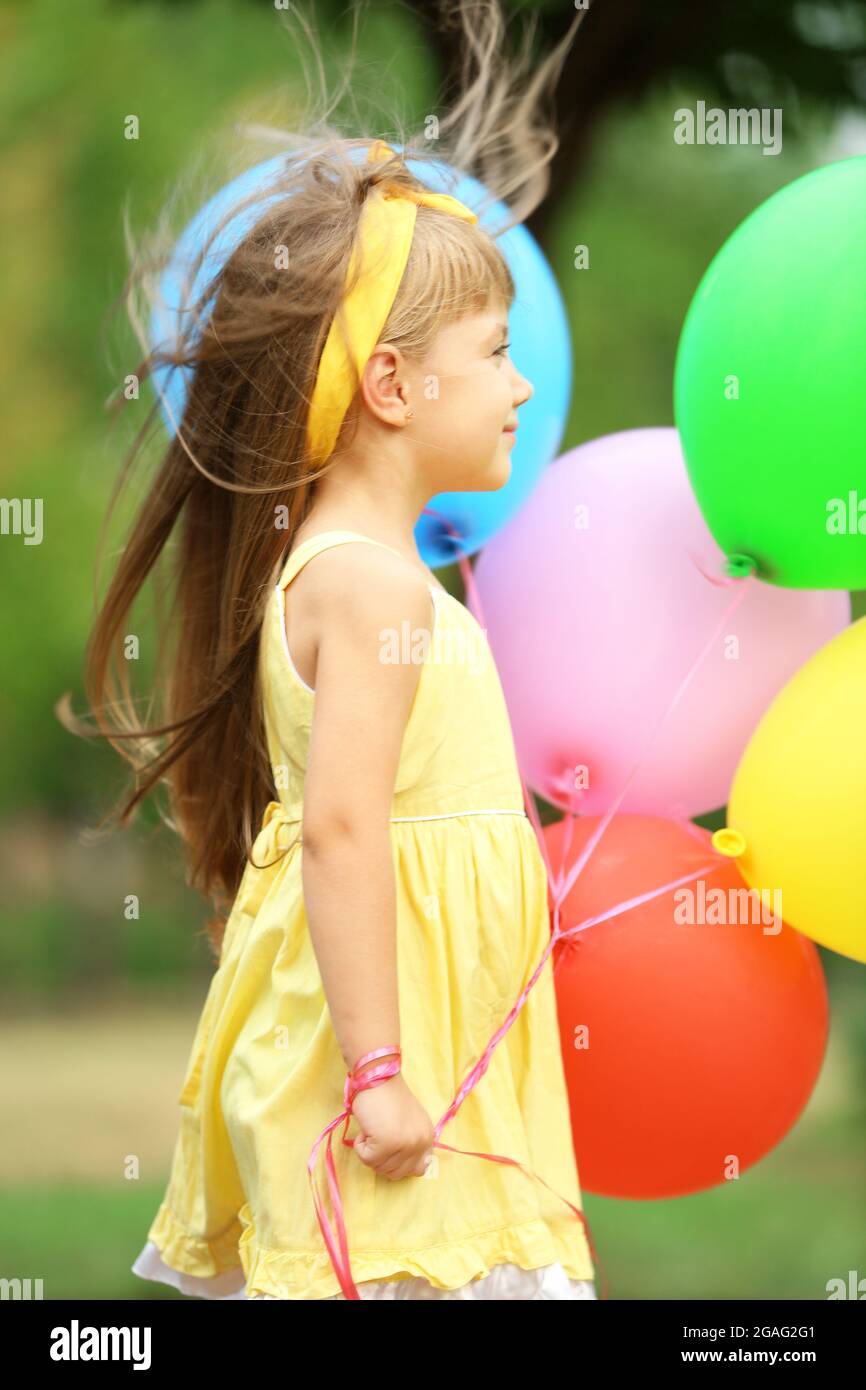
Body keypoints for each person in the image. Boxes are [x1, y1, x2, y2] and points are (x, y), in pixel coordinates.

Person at [74, 0, 599, 1300]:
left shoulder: (355, 571)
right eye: (496, 354)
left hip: (435, 1035)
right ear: (392, 386)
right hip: (394, 1066)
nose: (522, 386)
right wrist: (377, 1072)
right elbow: (344, 832)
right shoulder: (371, 593)